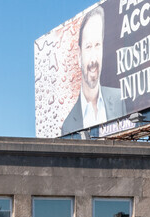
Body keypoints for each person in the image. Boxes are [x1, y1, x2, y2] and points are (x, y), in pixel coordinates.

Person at [60, 6, 125, 136]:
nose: (93, 59)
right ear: (79, 55)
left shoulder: (120, 99)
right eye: (88, 47)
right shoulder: (68, 125)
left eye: (97, 45)